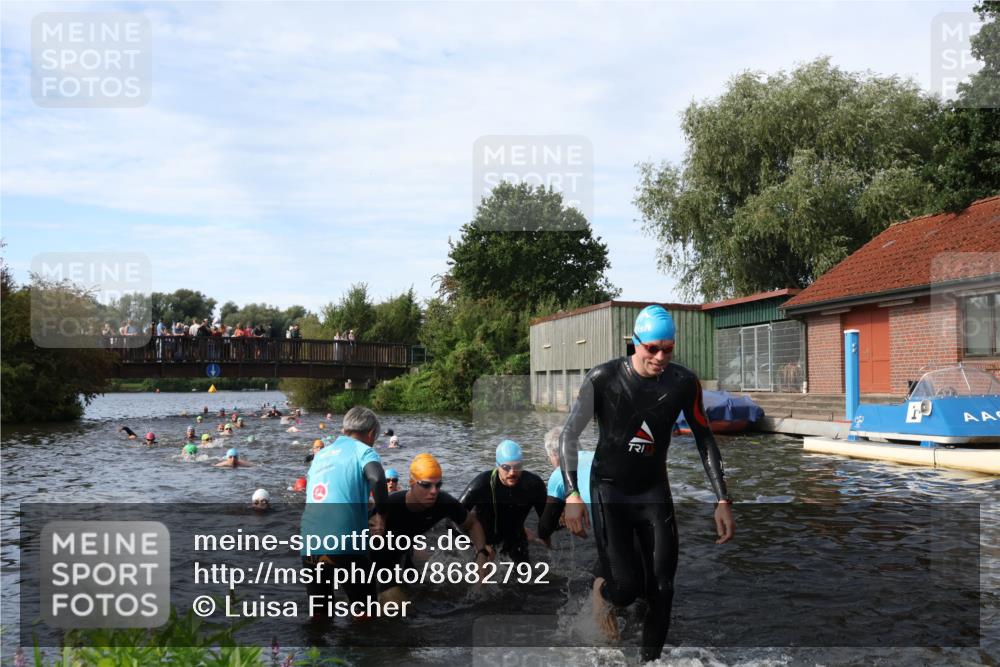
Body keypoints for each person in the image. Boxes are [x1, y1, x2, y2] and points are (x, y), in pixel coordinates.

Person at [559, 305, 735, 662]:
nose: (659, 357)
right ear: (634, 342)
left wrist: (722, 499)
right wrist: (572, 493)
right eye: (651, 348)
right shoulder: (603, 379)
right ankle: (602, 592)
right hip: (609, 488)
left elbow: (705, 440)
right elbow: (568, 436)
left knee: (662, 589)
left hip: (653, 489)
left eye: (667, 350)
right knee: (625, 589)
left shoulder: (683, 383)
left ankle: (649, 662)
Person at [300, 406, 388, 622]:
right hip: (346, 543)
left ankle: (314, 652)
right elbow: (377, 478)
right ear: (371, 434)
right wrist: (382, 517)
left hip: (311, 542)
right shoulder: (363, 450)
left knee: (320, 615)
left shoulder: (320, 455)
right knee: (365, 614)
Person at [377, 453, 491, 601]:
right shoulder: (390, 505)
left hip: (405, 556)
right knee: (395, 605)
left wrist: (481, 554)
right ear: (412, 483)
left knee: (426, 596)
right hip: (379, 560)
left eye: (438, 485)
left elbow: (472, 524)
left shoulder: (443, 502)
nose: (434, 491)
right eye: (426, 485)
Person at [459, 440, 547, 564]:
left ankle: (525, 533)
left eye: (517, 467)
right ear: (497, 465)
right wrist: (478, 545)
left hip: (515, 539)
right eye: (506, 467)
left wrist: (550, 529)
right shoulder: (481, 485)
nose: (512, 472)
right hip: (484, 539)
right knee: (481, 579)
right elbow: (451, 521)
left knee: (525, 578)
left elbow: (546, 518)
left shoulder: (533, 484)